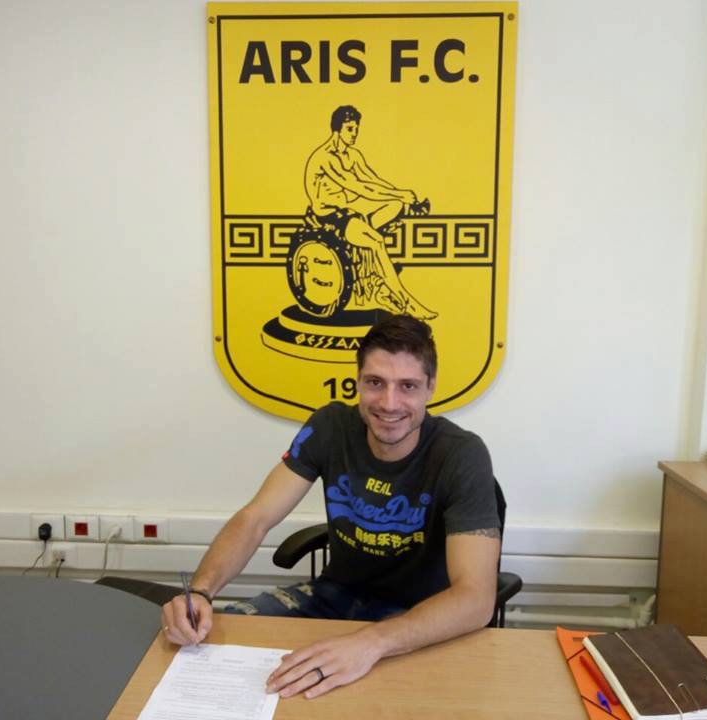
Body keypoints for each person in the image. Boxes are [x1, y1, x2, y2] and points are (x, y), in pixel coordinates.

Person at [161, 315, 500, 699]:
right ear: (357, 381)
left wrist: (371, 641)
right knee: (206, 653)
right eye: (375, 383)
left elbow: (476, 599)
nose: (389, 403)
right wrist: (201, 592)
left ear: (430, 388)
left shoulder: (461, 454)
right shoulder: (330, 427)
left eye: (407, 386)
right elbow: (255, 518)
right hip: (332, 598)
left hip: (416, 619)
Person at [302, 105, 436, 320]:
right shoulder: (325, 157)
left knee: (395, 205)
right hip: (329, 216)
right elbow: (358, 187)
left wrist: (398, 196)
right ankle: (405, 301)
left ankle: (376, 274)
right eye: (350, 129)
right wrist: (400, 194)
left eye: (356, 129)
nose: (354, 134)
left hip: (350, 210)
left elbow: (373, 180)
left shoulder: (353, 155)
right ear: (337, 130)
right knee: (376, 242)